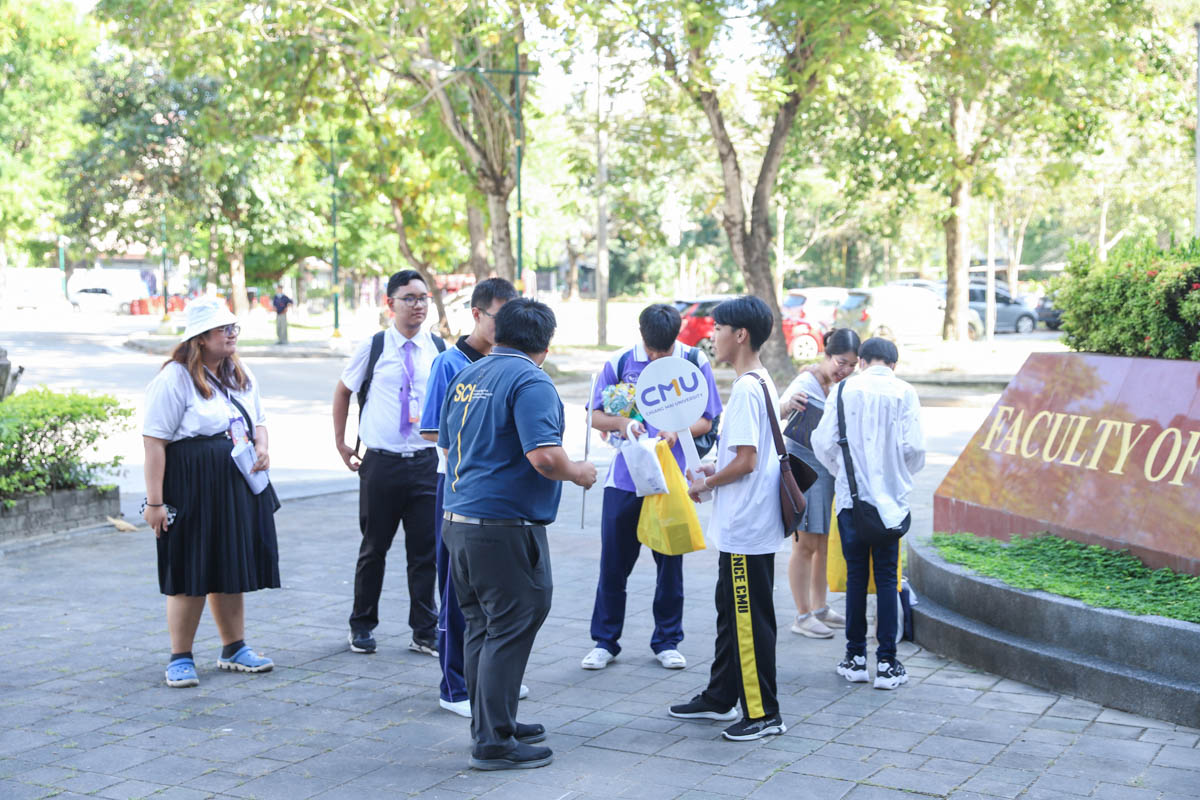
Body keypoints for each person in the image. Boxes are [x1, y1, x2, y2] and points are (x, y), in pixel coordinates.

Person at [438, 298, 597, 770]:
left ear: (498, 332)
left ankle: (493, 722)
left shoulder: (467, 375)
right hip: (503, 527)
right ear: (545, 343)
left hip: (459, 521)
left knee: (482, 627)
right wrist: (580, 472)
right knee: (510, 625)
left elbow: (446, 446)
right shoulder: (531, 381)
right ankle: (494, 743)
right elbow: (544, 457)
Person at [142, 298, 279, 688]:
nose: (232, 334)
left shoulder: (240, 373)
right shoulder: (175, 379)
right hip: (190, 484)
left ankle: (234, 647)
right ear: (200, 338)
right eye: (223, 329)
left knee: (229, 563)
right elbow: (154, 443)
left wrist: (262, 445)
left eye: (234, 327)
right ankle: (180, 656)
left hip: (234, 481)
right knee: (190, 567)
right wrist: (155, 503)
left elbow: (259, 421)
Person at [669, 295, 786, 742]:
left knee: (748, 621)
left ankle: (763, 713)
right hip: (748, 523)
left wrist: (706, 483)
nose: (711, 335)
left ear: (740, 335)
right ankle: (720, 696)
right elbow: (743, 455)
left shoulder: (746, 390)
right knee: (731, 613)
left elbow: (746, 462)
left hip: (746, 528)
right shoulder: (759, 381)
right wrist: (712, 469)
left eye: (718, 328)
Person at [581, 303, 722, 671]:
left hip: (671, 481)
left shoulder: (693, 361)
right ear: (641, 335)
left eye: (665, 349)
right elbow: (594, 414)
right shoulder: (620, 361)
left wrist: (677, 429)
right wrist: (623, 424)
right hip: (625, 478)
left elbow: (707, 419)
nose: (658, 357)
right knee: (614, 565)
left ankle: (667, 641)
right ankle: (605, 642)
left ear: (677, 336)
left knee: (670, 563)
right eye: (652, 350)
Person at [417, 277, 528, 717]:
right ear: (477, 314)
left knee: (497, 592)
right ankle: (454, 687)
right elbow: (432, 429)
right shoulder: (449, 364)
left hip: (500, 496)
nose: (509, 327)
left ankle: (490, 680)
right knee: (457, 590)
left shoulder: (512, 362)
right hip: (459, 491)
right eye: (502, 317)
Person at [332, 270, 445, 657]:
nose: (418, 305)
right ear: (390, 303)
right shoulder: (375, 346)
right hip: (381, 463)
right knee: (374, 548)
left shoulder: (438, 348)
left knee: (425, 553)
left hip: (426, 463)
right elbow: (343, 391)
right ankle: (362, 625)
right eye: (409, 298)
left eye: (423, 298)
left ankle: (424, 631)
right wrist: (341, 442)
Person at [811, 337, 925, 690]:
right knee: (888, 579)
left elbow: (823, 443)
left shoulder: (843, 390)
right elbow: (914, 449)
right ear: (893, 365)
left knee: (857, 577)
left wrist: (845, 474)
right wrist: (895, 477)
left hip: (851, 501)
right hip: (891, 505)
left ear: (861, 361)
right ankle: (888, 663)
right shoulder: (905, 392)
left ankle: (855, 658)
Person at [779, 328, 860, 638]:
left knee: (823, 543)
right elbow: (775, 413)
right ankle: (802, 615)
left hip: (826, 473)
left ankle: (820, 607)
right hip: (804, 471)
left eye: (852, 365)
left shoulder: (838, 385)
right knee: (804, 545)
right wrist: (788, 404)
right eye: (841, 362)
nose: (846, 370)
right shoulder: (805, 382)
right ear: (827, 355)